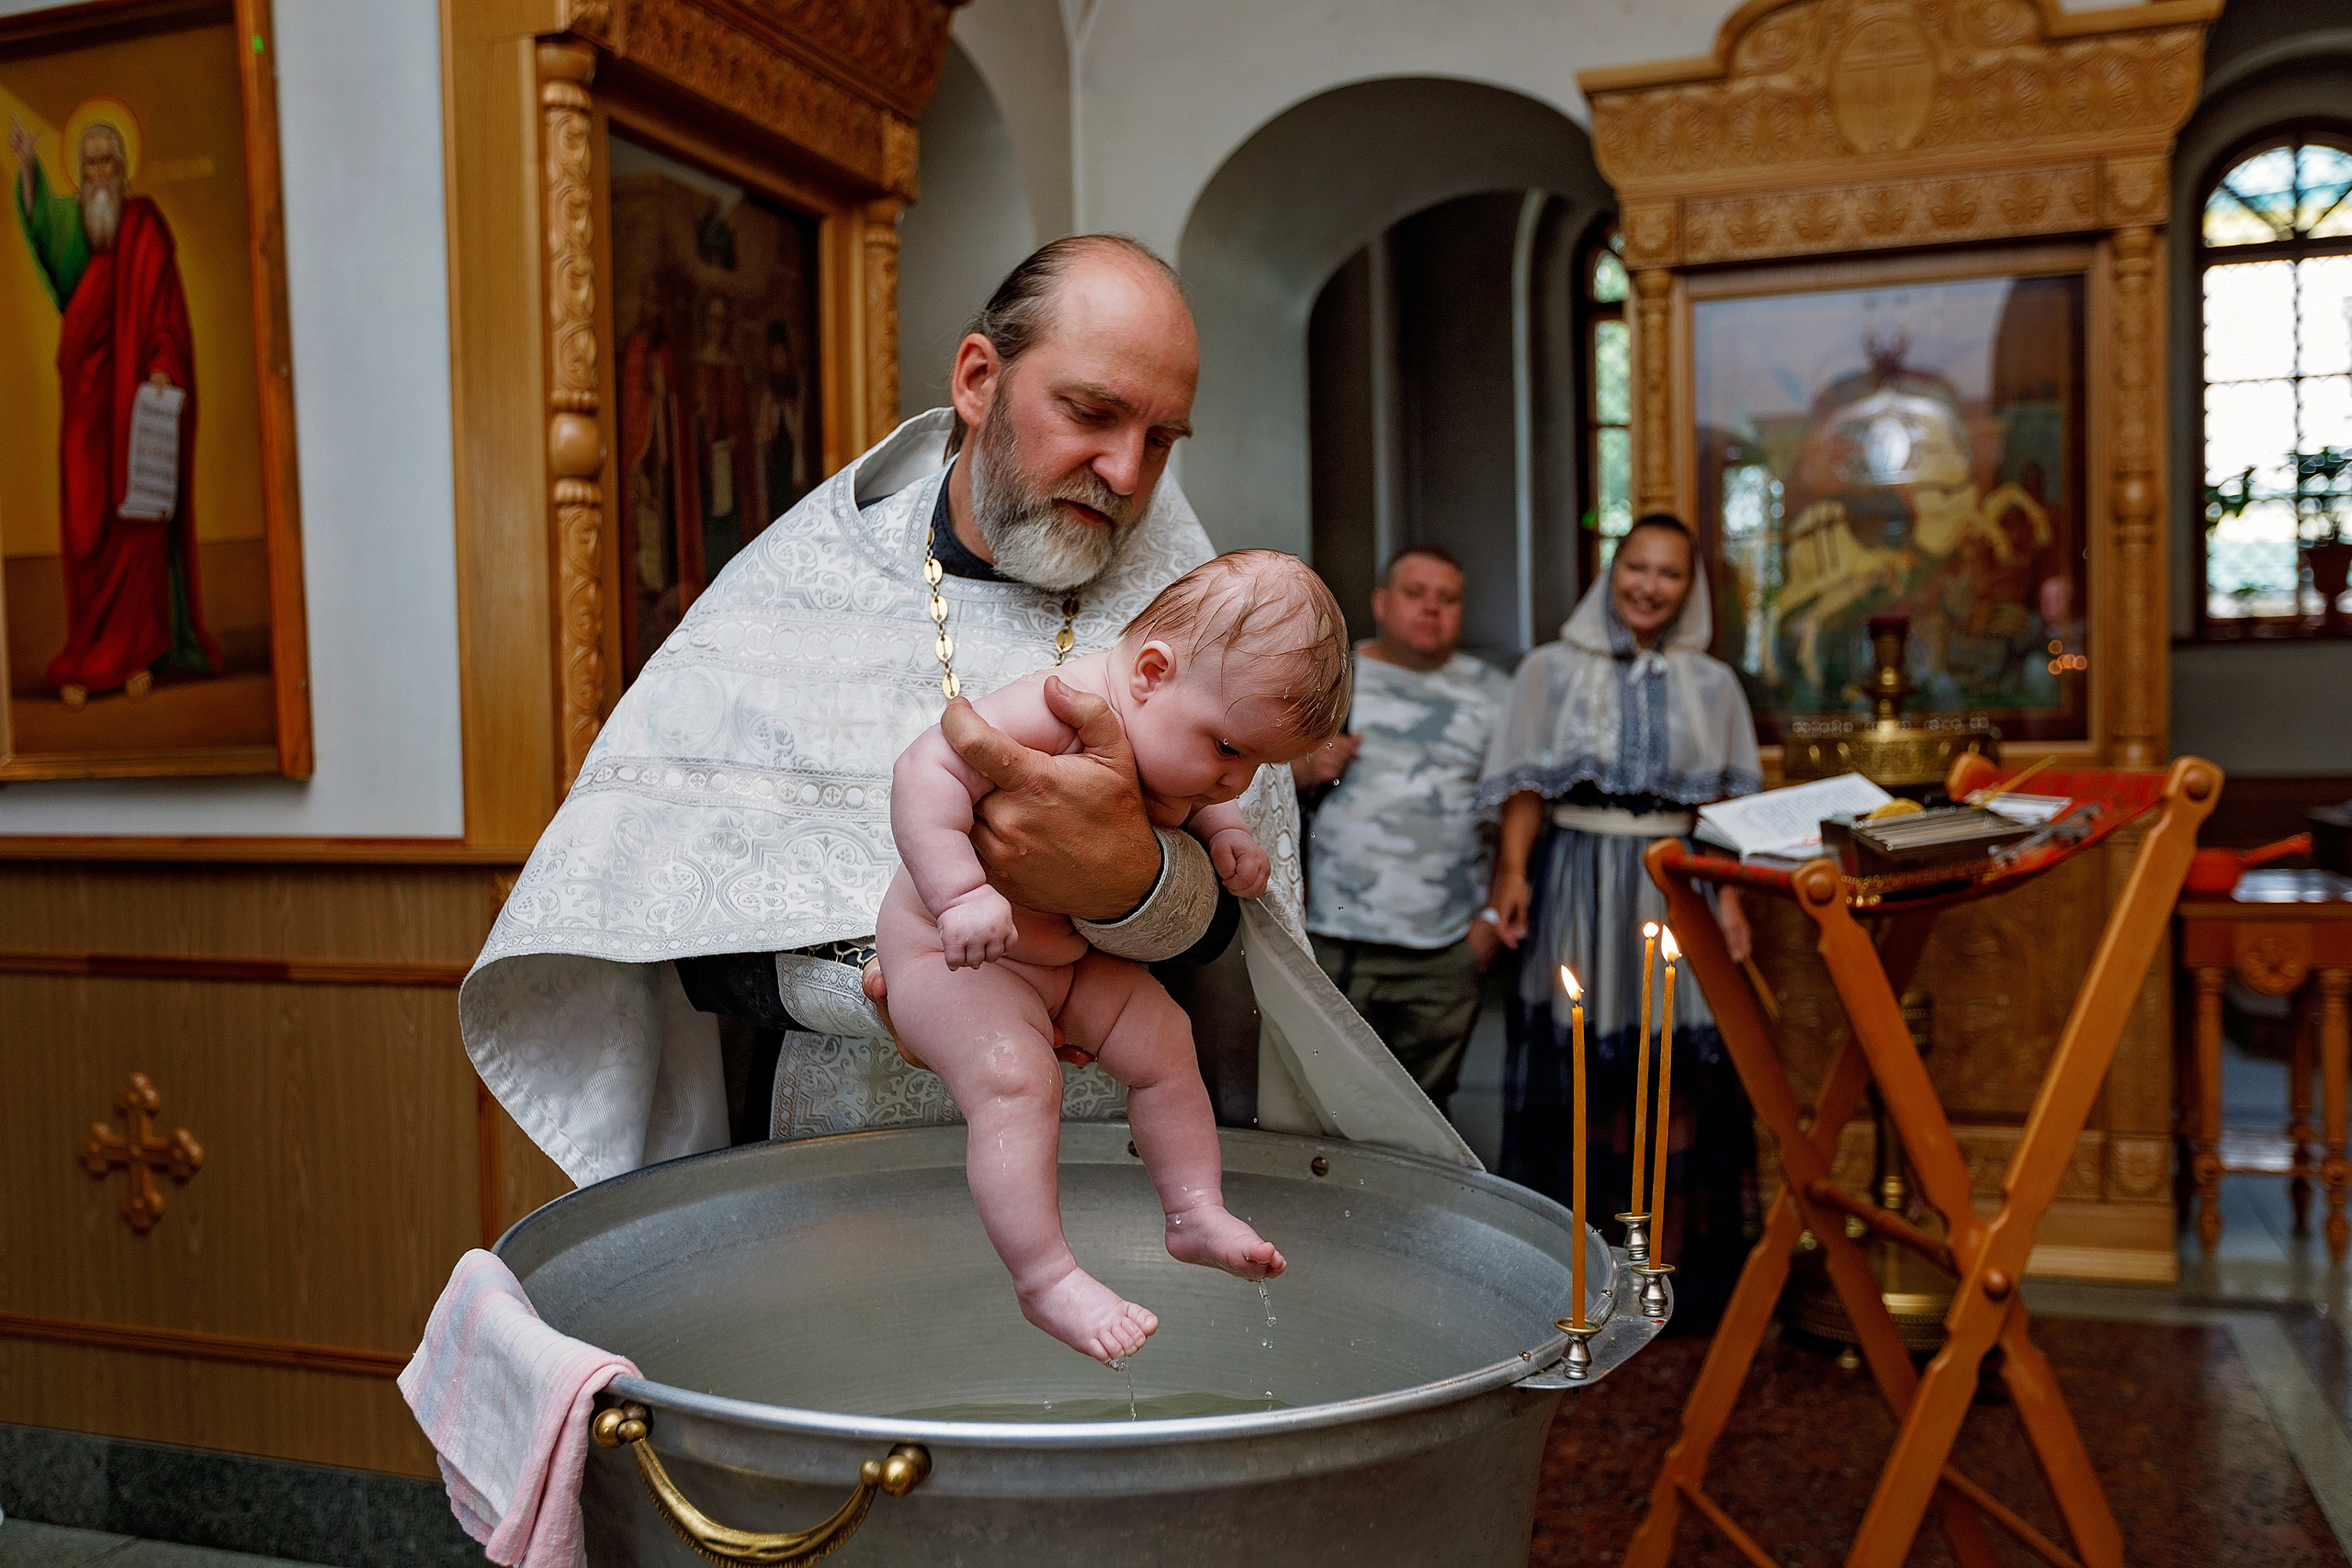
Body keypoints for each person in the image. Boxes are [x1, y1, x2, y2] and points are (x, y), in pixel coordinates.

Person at [460, 235, 1466, 1190]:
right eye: (1090, 413)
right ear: (979, 379)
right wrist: (898, 992)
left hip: (1111, 1156)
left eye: (1158, 439)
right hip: (842, 1161)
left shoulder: (1195, 630)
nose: (1125, 473)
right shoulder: (793, 599)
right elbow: (685, 929)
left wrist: (1131, 880)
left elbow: (1240, 945)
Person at [884, 552, 1347, 1357]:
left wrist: (1227, 833)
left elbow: (1184, 801)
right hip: (951, 957)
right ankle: (1046, 1278)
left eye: (1257, 766)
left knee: (1166, 1043)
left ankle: (1193, 1209)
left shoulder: (1184, 726)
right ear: (1151, 673)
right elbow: (926, 767)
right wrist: (961, 893)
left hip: (1067, 960)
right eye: (1229, 751)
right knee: (1016, 1081)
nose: (1232, 778)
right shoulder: (1062, 705)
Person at [1478, 514, 1762, 1328]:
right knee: (1587, 1081)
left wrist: (1733, 904)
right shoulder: (1549, 669)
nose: (1649, 586)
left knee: (1672, 1083)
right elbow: (1527, 788)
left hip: (1677, 888)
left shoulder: (1714, 685)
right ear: (1613, 572)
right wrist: (1512, 876)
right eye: (1636, 567)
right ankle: (1584, 1277)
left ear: (1690, 589)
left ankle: (1655, 1280)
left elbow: (1725, 808)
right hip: (1577, 882)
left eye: (1669, 573)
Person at [10, 109, 219, 709]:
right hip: (84, 403)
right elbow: (42, 229)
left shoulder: (146, 229)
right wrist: (26, 166)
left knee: (136, 523)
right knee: (84, 522)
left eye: (108, 161)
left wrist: (161, 365)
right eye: (90, 162)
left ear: (123, 171)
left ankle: (136, 653)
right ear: (79, 174)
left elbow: (166, 315)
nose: (99, 172)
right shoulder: (75, 227)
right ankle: (89, 648)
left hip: (133, 403)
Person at [1296, 546, 1510, 1115]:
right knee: (1327, 1108)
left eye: (1448, 599)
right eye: (1416, 594)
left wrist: (1489, 924)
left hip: (1445, 949)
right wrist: (1304, 767)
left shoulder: (1496, 692)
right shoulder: (1331, 675)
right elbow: (1245, 774)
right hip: (1336, 938)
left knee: (1427, 1115)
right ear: (1382, 604)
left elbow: (1519, 804)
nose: (1432, 609)